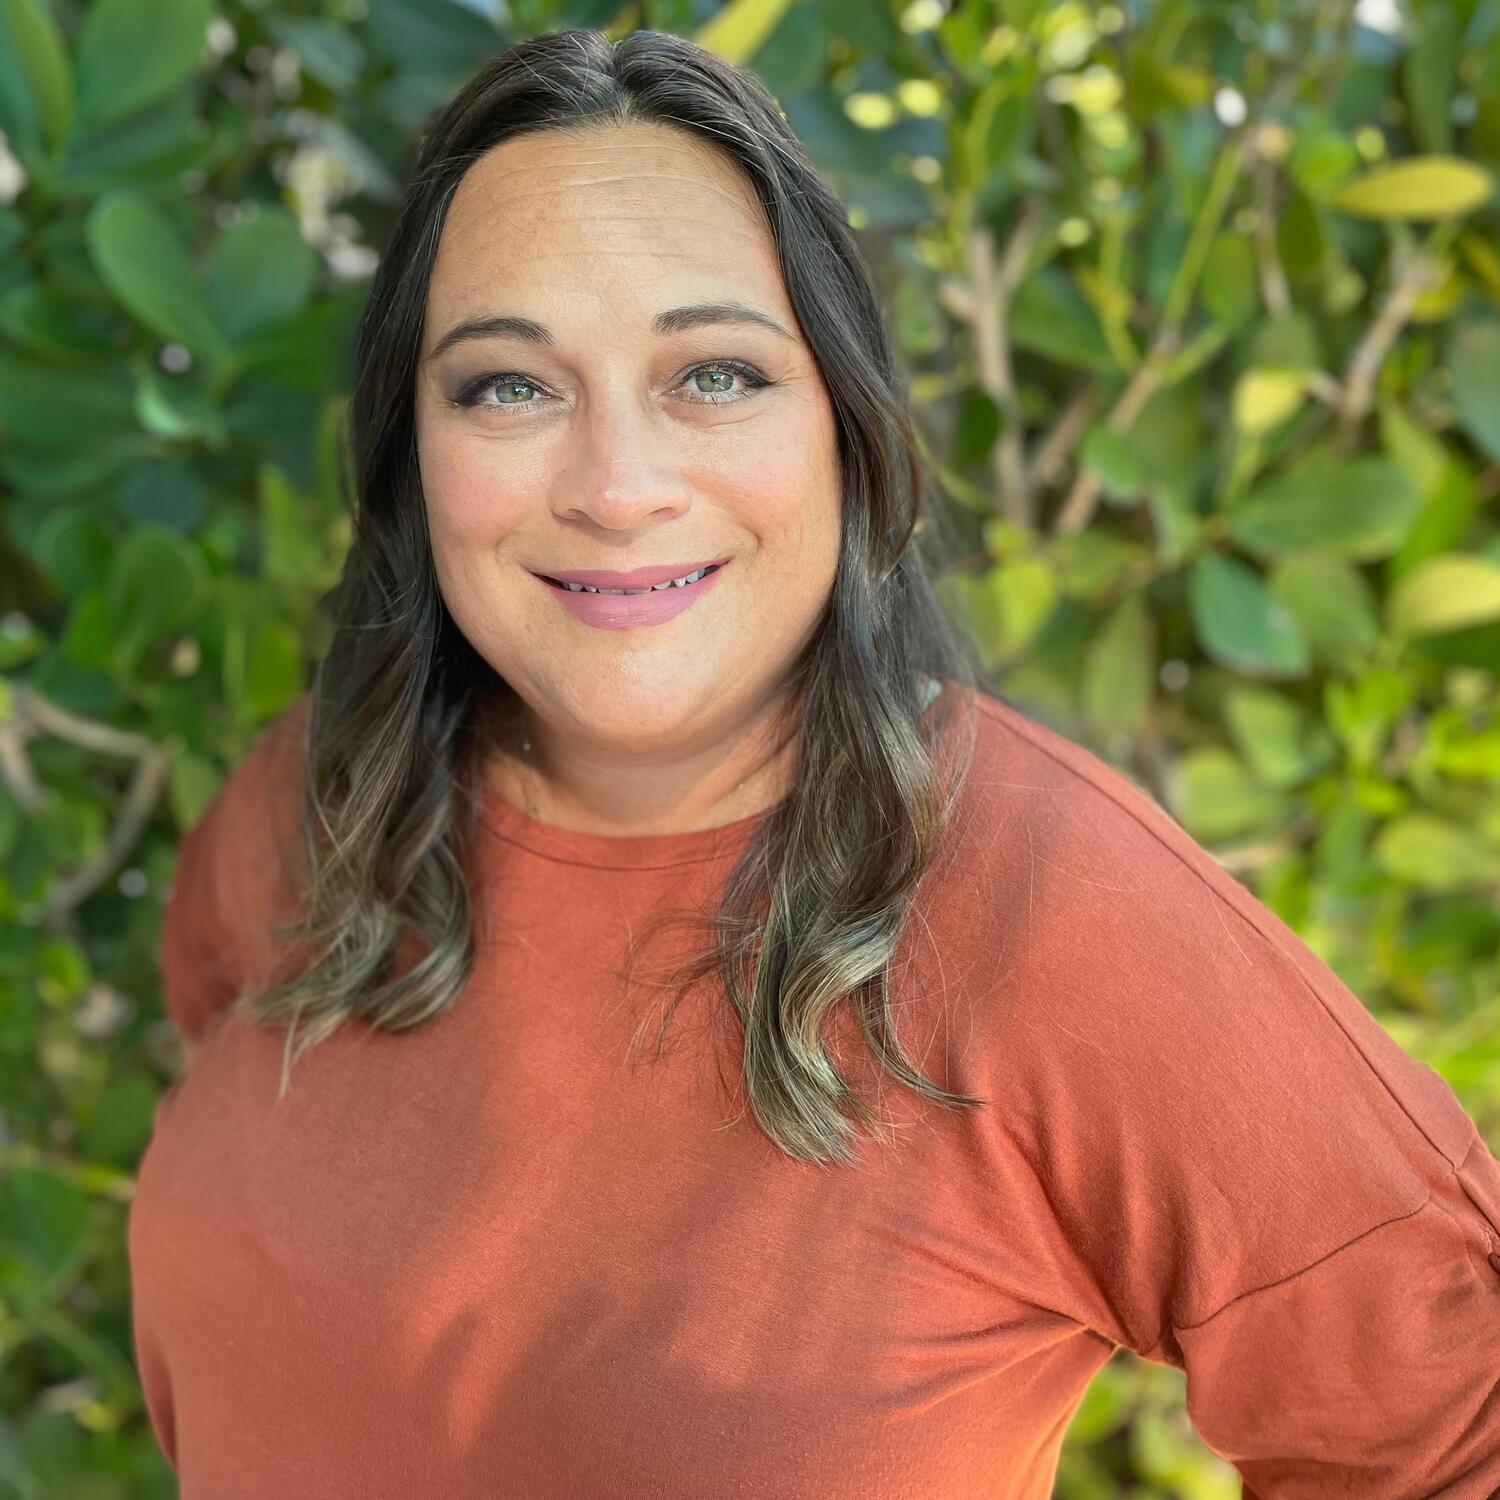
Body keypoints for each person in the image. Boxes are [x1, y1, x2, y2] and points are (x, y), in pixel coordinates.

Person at [127, 26, 1500, 1499]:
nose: (616, 487)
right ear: (416, 452)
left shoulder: (1063, 921)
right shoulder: (313, 805)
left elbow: (1449, 1423)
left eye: (713, 374)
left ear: (845, 431)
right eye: (509, 388)